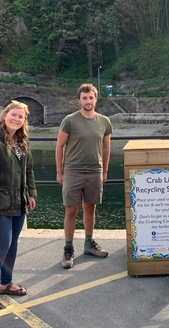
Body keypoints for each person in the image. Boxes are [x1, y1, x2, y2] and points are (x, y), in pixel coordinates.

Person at [0, 100, 37, 311]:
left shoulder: (22, 141)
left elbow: (28, 170)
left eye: (21, 117)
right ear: (5, 115)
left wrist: (31, 193)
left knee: (12, 244)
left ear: (24, 121)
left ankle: (5, 283)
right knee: (1, 245)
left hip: (18, 201)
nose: (17, 119)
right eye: (14, 114)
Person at [56, 83, 113, 269]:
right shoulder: (70, 120)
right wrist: (59, 171)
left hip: (95, 171)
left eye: (91, 98)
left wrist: (104, 170)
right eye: (84, 98)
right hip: (73, 171)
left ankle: (89, 244)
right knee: (71, 210)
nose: (88, 101)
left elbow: (106, 147)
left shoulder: (104, 121)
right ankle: (68, 248)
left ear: (95, 99)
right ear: (79, 100)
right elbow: (59, 146)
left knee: (90, 208)